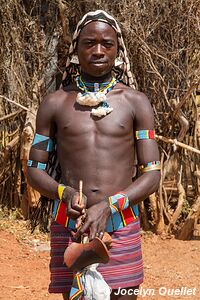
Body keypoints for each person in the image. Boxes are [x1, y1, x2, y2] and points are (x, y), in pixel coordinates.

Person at [27, 10, 160, 300]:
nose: (98, 50)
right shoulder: (55, 103)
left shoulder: (136, 103)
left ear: (117, 49)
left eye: (106, 44)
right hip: (71, 223)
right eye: (89, 43)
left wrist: (110, 206)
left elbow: (152, 174)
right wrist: (64, 192)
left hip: (121, 223)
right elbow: (34, 170)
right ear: (76, 49)